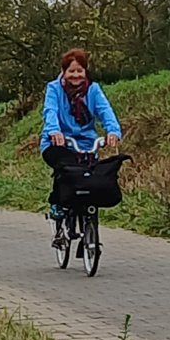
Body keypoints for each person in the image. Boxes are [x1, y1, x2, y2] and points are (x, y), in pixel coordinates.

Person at [40, 48, 122, 225]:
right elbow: (50, 112)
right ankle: (57, 203)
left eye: (79, 71)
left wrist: (113, 131)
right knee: (66, 167)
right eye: (71, 71)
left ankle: (89, 227)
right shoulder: (54, 89)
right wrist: (54, 131)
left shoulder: (93, 90)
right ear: (63, 72)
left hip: (86, 143)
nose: (75, 75)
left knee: (91, 178)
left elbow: (105, 111)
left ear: (85, 71)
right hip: (57, 143)